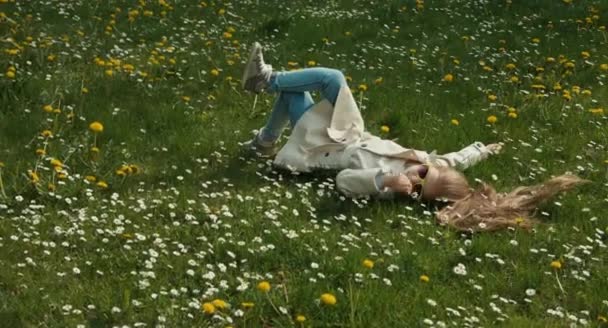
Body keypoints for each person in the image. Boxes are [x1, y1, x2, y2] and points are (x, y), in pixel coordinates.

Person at [240, 42, 588, 232]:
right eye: (423, 174)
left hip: (320, 152)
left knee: (293, 97)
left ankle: (264, 137)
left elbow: (344, 181)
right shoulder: (428, 163)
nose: (415, 178)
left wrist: (385, 180)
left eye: (419, 190)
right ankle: (266, 88)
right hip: (348, 133)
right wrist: (484, 148)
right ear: (427, 166)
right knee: (333, 78)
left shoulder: (391, 190)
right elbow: (456, 159)